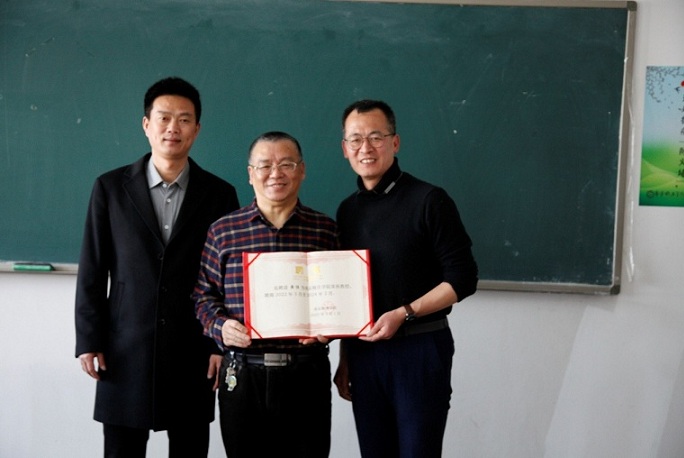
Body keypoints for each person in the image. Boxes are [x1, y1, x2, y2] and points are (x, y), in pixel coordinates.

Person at [74, 76, 240, 457]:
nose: (173, 128)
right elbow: (93, 270)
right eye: (164, 118)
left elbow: (228, 279)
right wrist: (89, 340)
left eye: (184, 119)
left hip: (194, 351)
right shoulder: (110, 188)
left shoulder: (219, 194)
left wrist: (219, 344)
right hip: (123, 349)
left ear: (196, 129)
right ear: (146, 124)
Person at [333, 99, 479, 458]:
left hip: (419, 349)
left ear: (395, 142)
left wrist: (405, 312)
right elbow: (351, 293)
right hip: (365, 354)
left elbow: (463, 277)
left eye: (376, 137)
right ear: (344, 149)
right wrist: (345, 358)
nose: (365, 148)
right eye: (355, 139)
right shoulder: (347, 210)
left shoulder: (429, 200)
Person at [192, 131, 339, 458]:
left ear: (302, 170)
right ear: (250, 173)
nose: (276, 173)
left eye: (287, 164)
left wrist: (331, 327)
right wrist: (220, 327)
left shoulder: (325, 230)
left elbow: (341, 297)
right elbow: (203, 296)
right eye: (265, 165)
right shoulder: (224, 231)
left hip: (307, 373)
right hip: (243, 373)